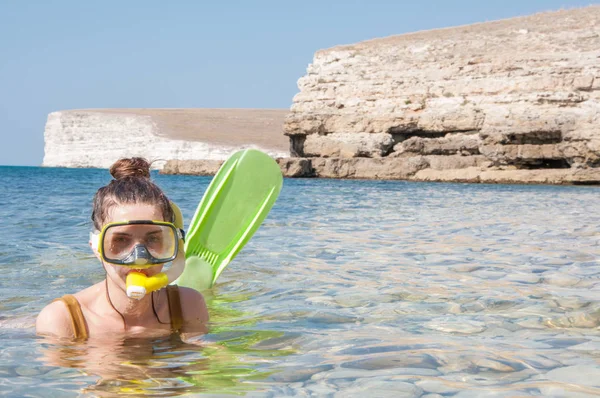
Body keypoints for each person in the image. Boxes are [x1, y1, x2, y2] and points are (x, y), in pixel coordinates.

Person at [36, 158, 209, 340]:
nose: (139, 258)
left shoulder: (187, 306)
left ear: (172, 245)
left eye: (153, 238)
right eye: (121, 239)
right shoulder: (63, 321)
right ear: (96, 247)